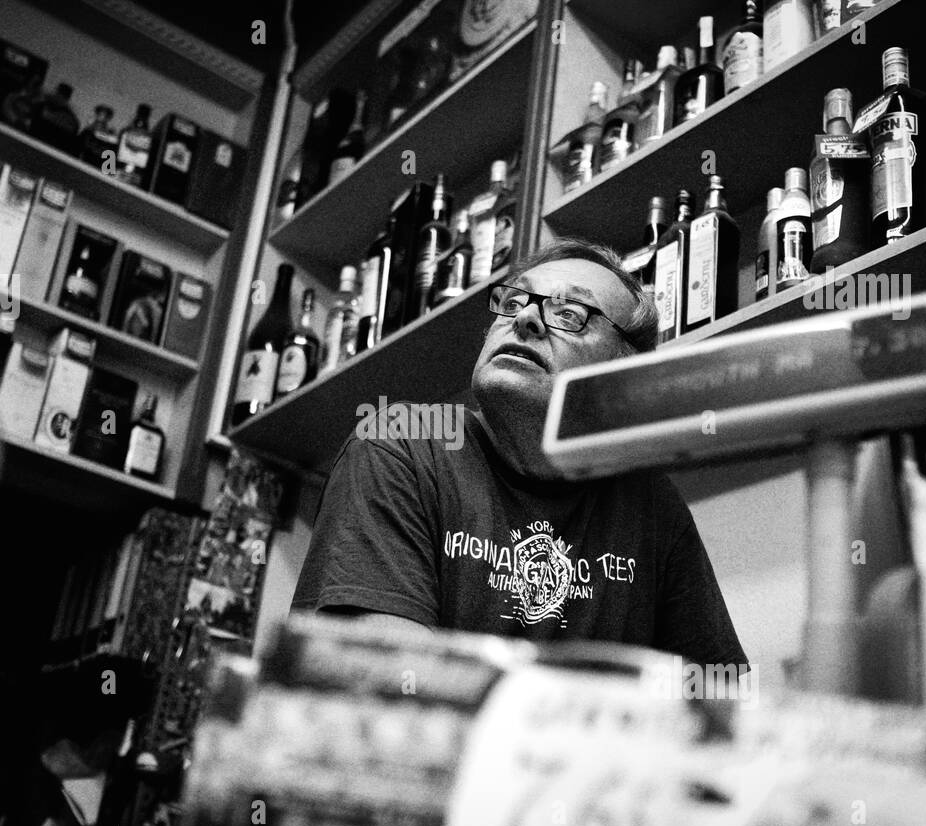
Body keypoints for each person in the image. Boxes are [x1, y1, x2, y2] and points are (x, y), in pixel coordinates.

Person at [291, 238, 747, 667]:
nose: (524, 319)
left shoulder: (651, 505)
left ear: (623, 369)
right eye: (513, 302)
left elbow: (718, 695)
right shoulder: (402, 441)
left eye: (569, 313)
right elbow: (393, 686)